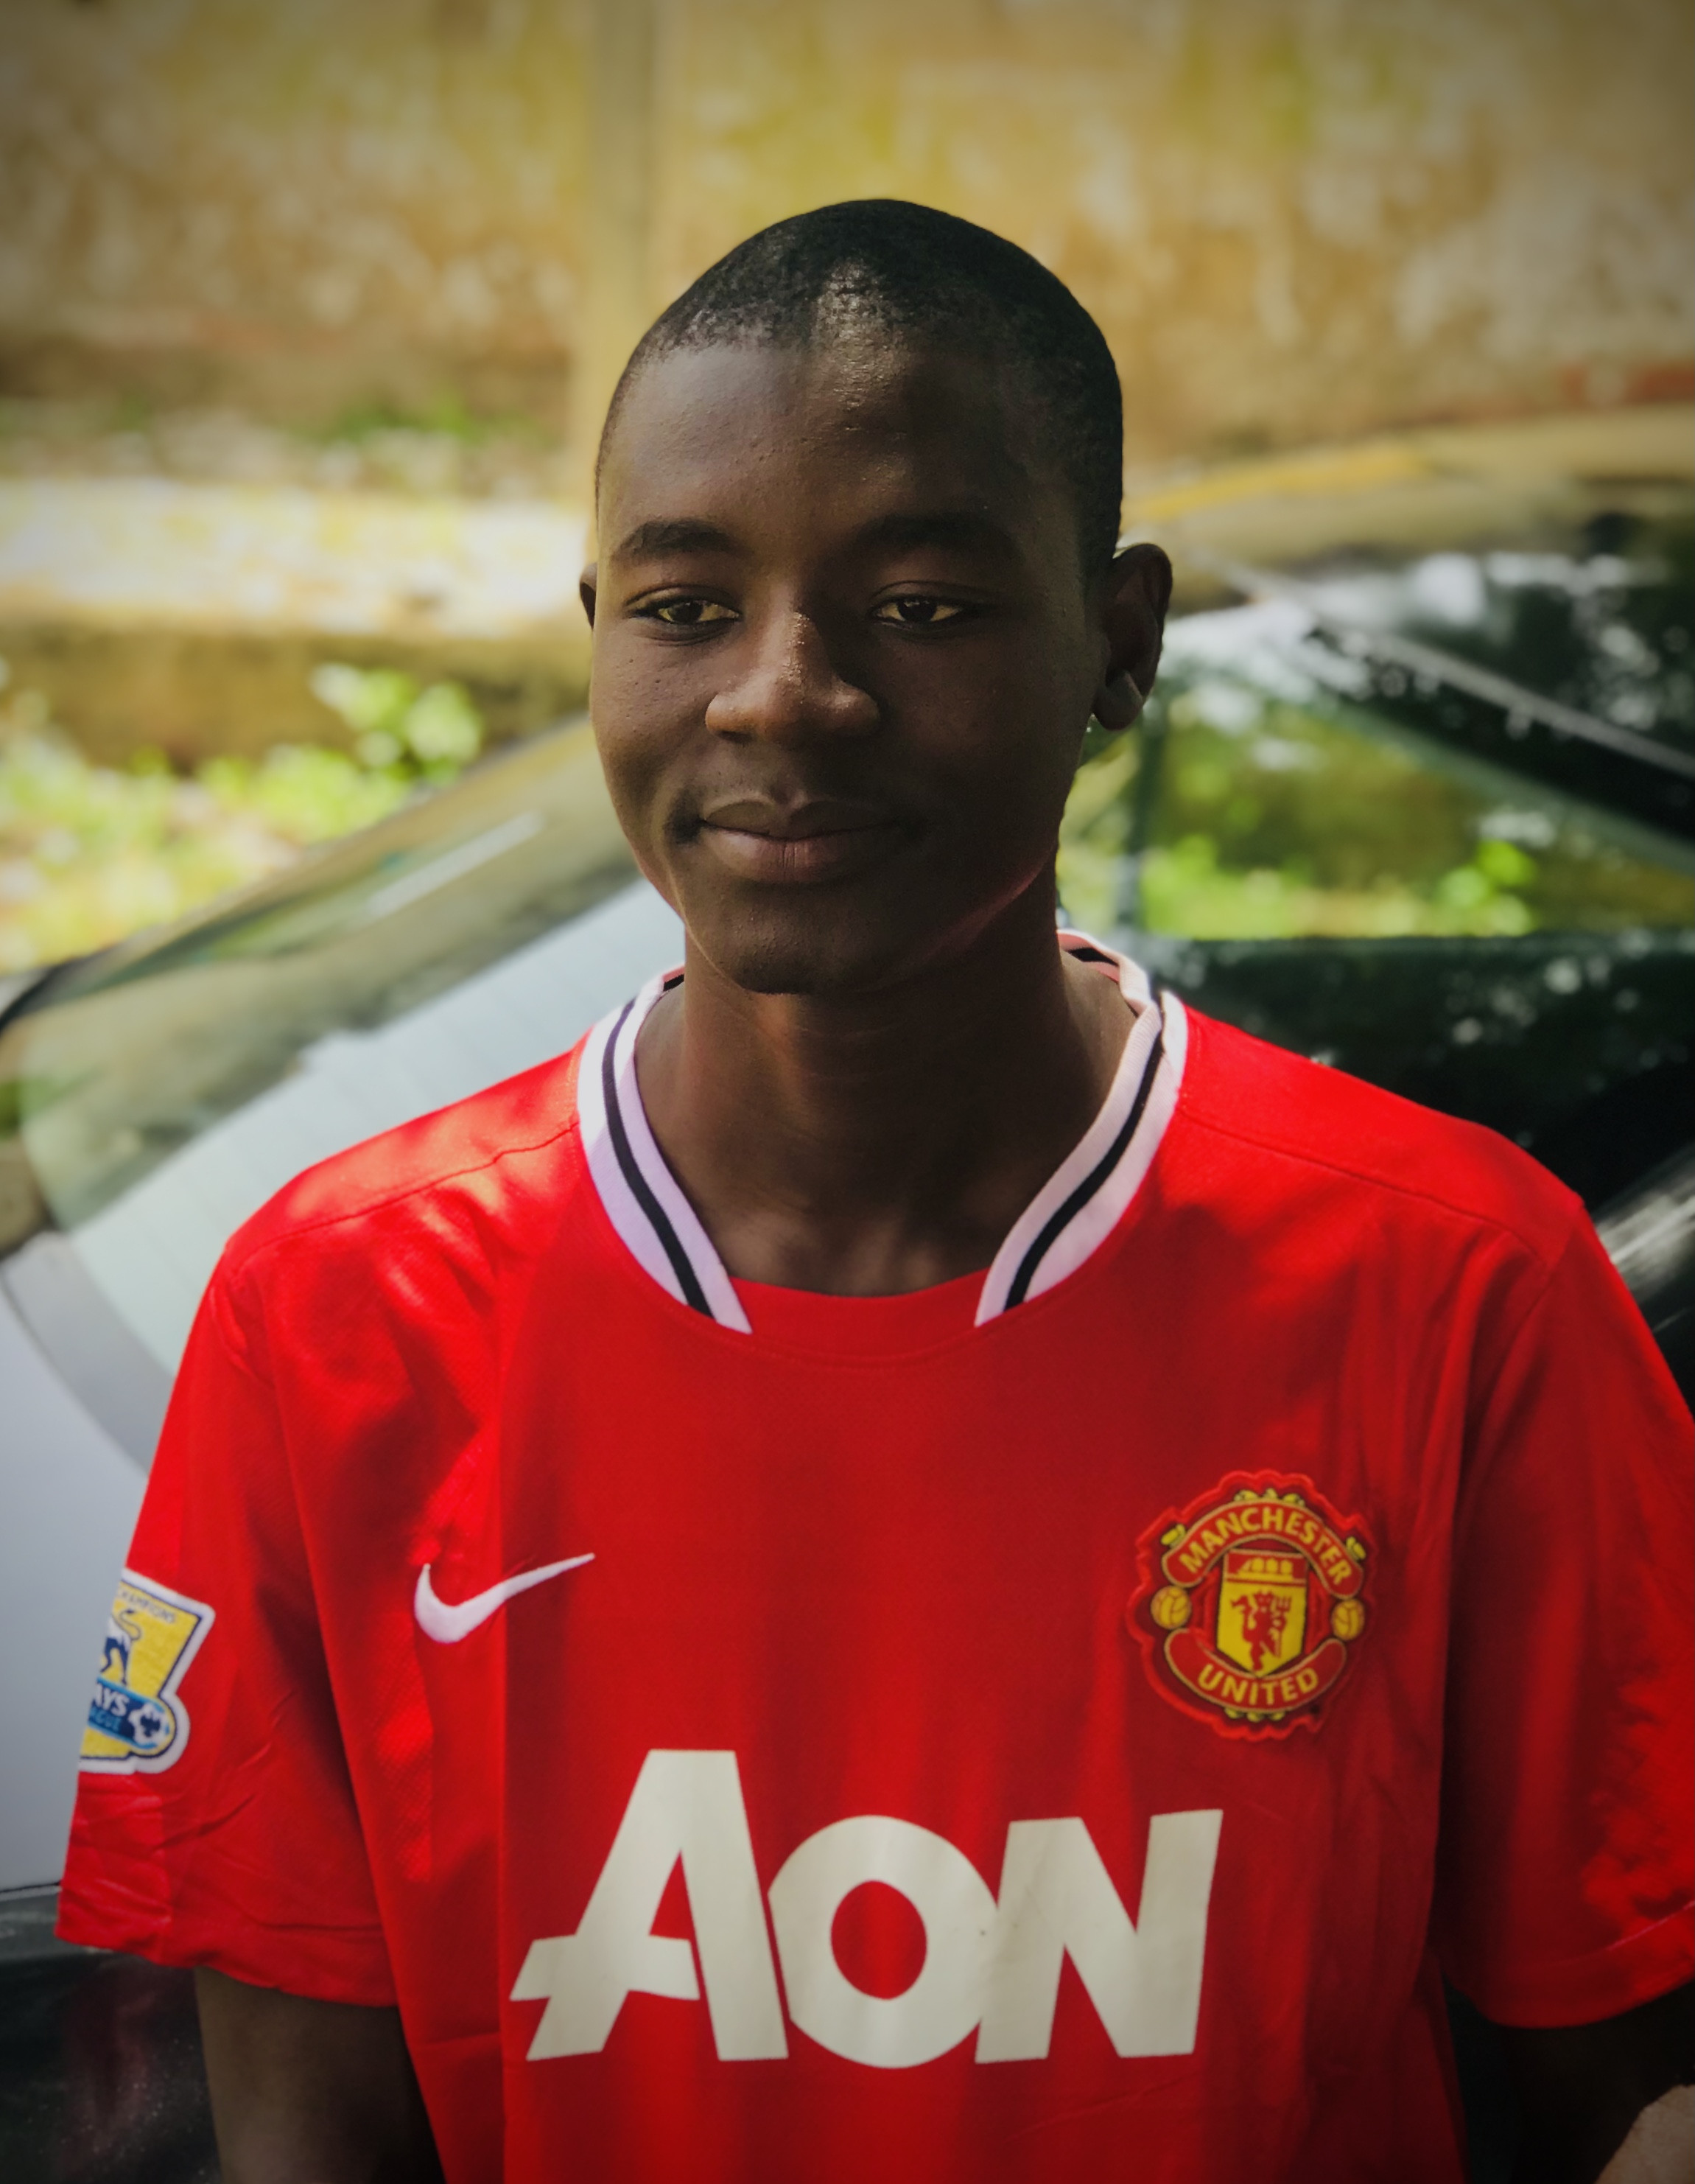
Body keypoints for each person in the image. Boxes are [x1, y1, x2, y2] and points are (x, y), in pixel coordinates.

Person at [58, 201, 1691, 2184]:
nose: (782, 694)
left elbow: (1628, 2087)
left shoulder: (1458, 1286)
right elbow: (303, 2134)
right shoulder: (336, 1310)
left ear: (1119, 640)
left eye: (920, 605)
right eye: (685, 606)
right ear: (599, 631)